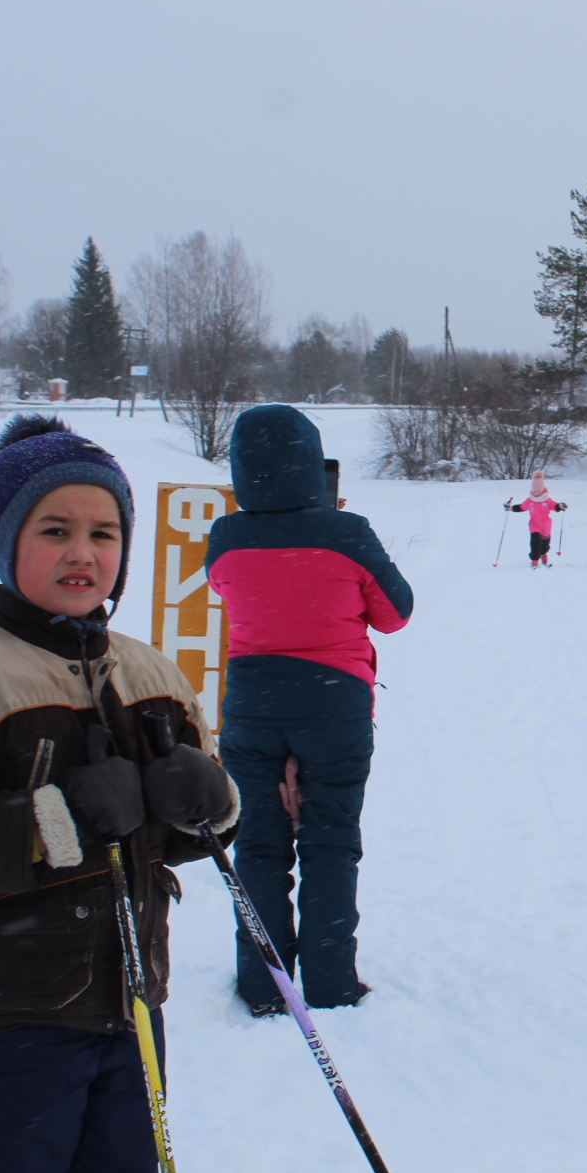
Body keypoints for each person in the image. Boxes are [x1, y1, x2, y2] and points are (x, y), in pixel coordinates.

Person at [0, 414, 238, 1173]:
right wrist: (57, 818)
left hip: (130, 1010)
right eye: (56, 530)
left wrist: (206, 802)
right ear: (7, 544)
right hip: (4, 1023)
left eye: (103, 532)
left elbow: (197, 821)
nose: (83, 552)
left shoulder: (147, 671)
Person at [206, 405, 414, 1016]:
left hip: (252, 705)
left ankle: (264, 986)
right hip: (334, 706)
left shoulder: (226, 535)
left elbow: (225, 588)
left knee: (260, 847)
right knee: (330, 842)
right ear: (311, 464)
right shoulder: (345, 533)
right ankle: (330, 982)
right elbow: (396, 614)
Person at [508, 470, 567, 568]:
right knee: (535, 541)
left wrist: (561, 506)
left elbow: (555, 506)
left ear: (542, 490)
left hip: (546, 525)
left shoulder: (547, 499)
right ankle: (535, 559)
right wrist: (510, 508)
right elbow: (522, 507)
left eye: (538, 491)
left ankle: (543, 554)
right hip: (534, 524)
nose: (536, 493)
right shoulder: (530, 500)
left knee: (545, 543)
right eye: (535, 491)